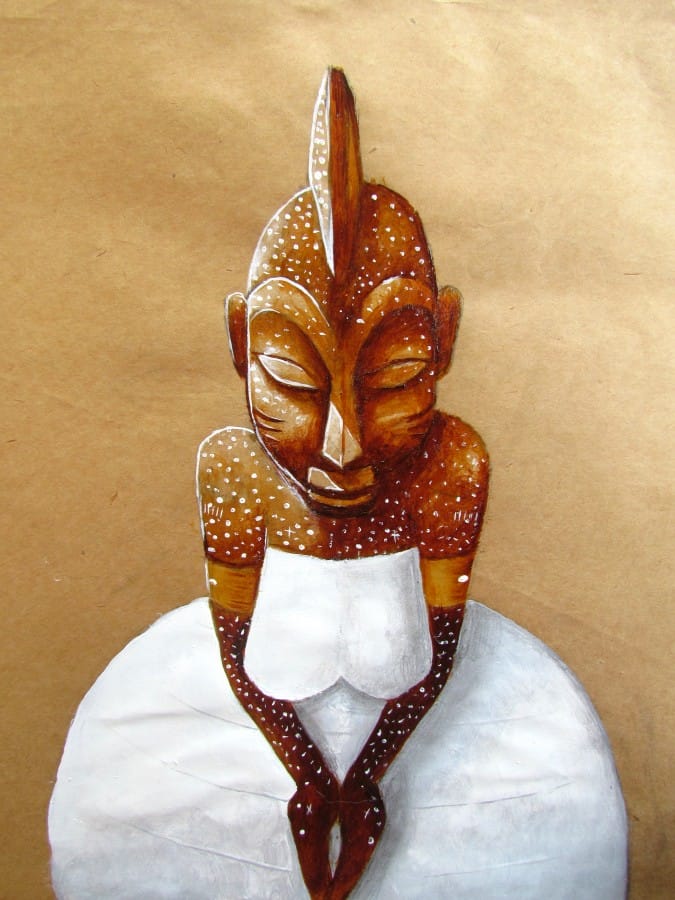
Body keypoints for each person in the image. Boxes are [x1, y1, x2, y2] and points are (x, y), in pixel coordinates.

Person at [197, 68, 488, 900]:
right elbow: (236, 647)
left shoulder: (450, 462)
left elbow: (437, 647)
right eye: (291, 376)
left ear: (444, 339)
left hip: (404, 718)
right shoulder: (233, 467)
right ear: (239, 343)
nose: (342, 445)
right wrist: (307, 775)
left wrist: (363, 776)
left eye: (394, 374)